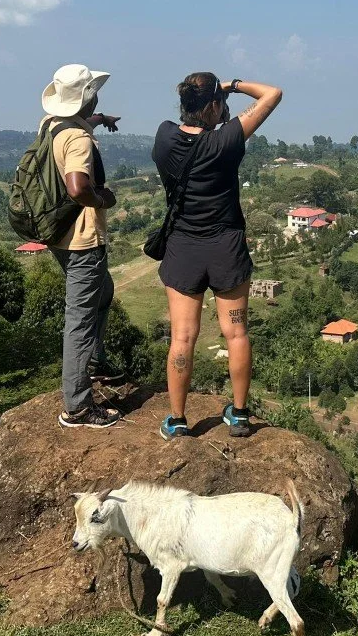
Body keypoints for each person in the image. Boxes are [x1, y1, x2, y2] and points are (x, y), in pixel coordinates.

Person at [151, 74, 283, 439]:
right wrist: (234, 85)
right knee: (237, 332)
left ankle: (178, 420)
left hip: (183, 249)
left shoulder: (164, 136)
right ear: (212, 106)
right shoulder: (227, 140)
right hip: (226, 247)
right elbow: (273, 94)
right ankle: (239, 415)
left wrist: (215, 96)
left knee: (182, 338)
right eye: (220, 103)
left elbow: (188, 125)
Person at [41, 63, 126, 429]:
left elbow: (75, 124)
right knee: (80, 319)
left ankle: (95, 360)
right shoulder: (77, 139)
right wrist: (103, 199)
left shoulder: (52, 126)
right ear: (87, 96)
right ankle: (76, 406)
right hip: (82, 240)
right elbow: (78, 187)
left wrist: (100, 118)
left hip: (59, 234)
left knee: (103, 292)